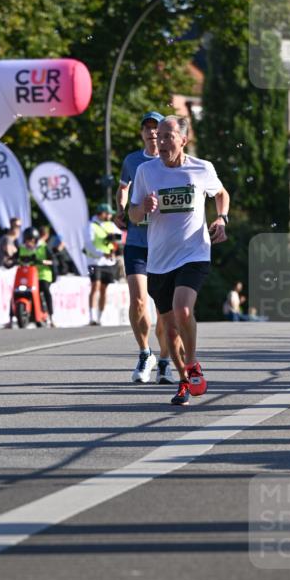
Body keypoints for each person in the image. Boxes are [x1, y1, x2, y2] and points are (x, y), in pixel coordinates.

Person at [129, 115, 229, 406]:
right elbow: (133, 213)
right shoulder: (146, 171)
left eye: (168, 136)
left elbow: (221, 193)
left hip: (194, 252)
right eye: (158, 136)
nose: (160, 142)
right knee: (169, 329)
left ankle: (194, 362)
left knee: (183, 310)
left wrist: (221, 218)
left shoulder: (202, 168)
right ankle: (185, 381)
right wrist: (142, 208)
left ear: (183, 140)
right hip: (159, 260)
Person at [116, 111, 179, 384]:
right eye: (148, 128)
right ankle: (145, 353)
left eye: (157, 128)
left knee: (164, 307)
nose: (153, 133)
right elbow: (122, 188)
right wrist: (122, 209)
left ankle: (165, 359)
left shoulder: (174, 161)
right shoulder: (132, 161)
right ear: (142, 133)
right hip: (138, 241)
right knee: (139, 300)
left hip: (164, 242)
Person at [86, 204, 122, 326]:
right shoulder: (91, 226)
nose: (110, 216)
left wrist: (114, 239)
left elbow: (121, 237)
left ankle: (100, 318)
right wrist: (102, 253)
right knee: (95, 286)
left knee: (103, 289)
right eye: (108, 213)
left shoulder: (111, 225)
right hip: (94, 261)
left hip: (108, 262)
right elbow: (89, 244)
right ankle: (92, 317)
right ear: (101, 213)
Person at [18, 226, 55, 324]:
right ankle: (11, 318)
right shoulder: (22, 248)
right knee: (16, 292)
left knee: (45, 290)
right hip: (28, 277)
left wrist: (44, 262)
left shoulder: (43, 247)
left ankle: (51, 316)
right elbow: (15, 258)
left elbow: (53, 261)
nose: (29, 242)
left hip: (43, 275)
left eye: (31, 240)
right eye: (27, 240)